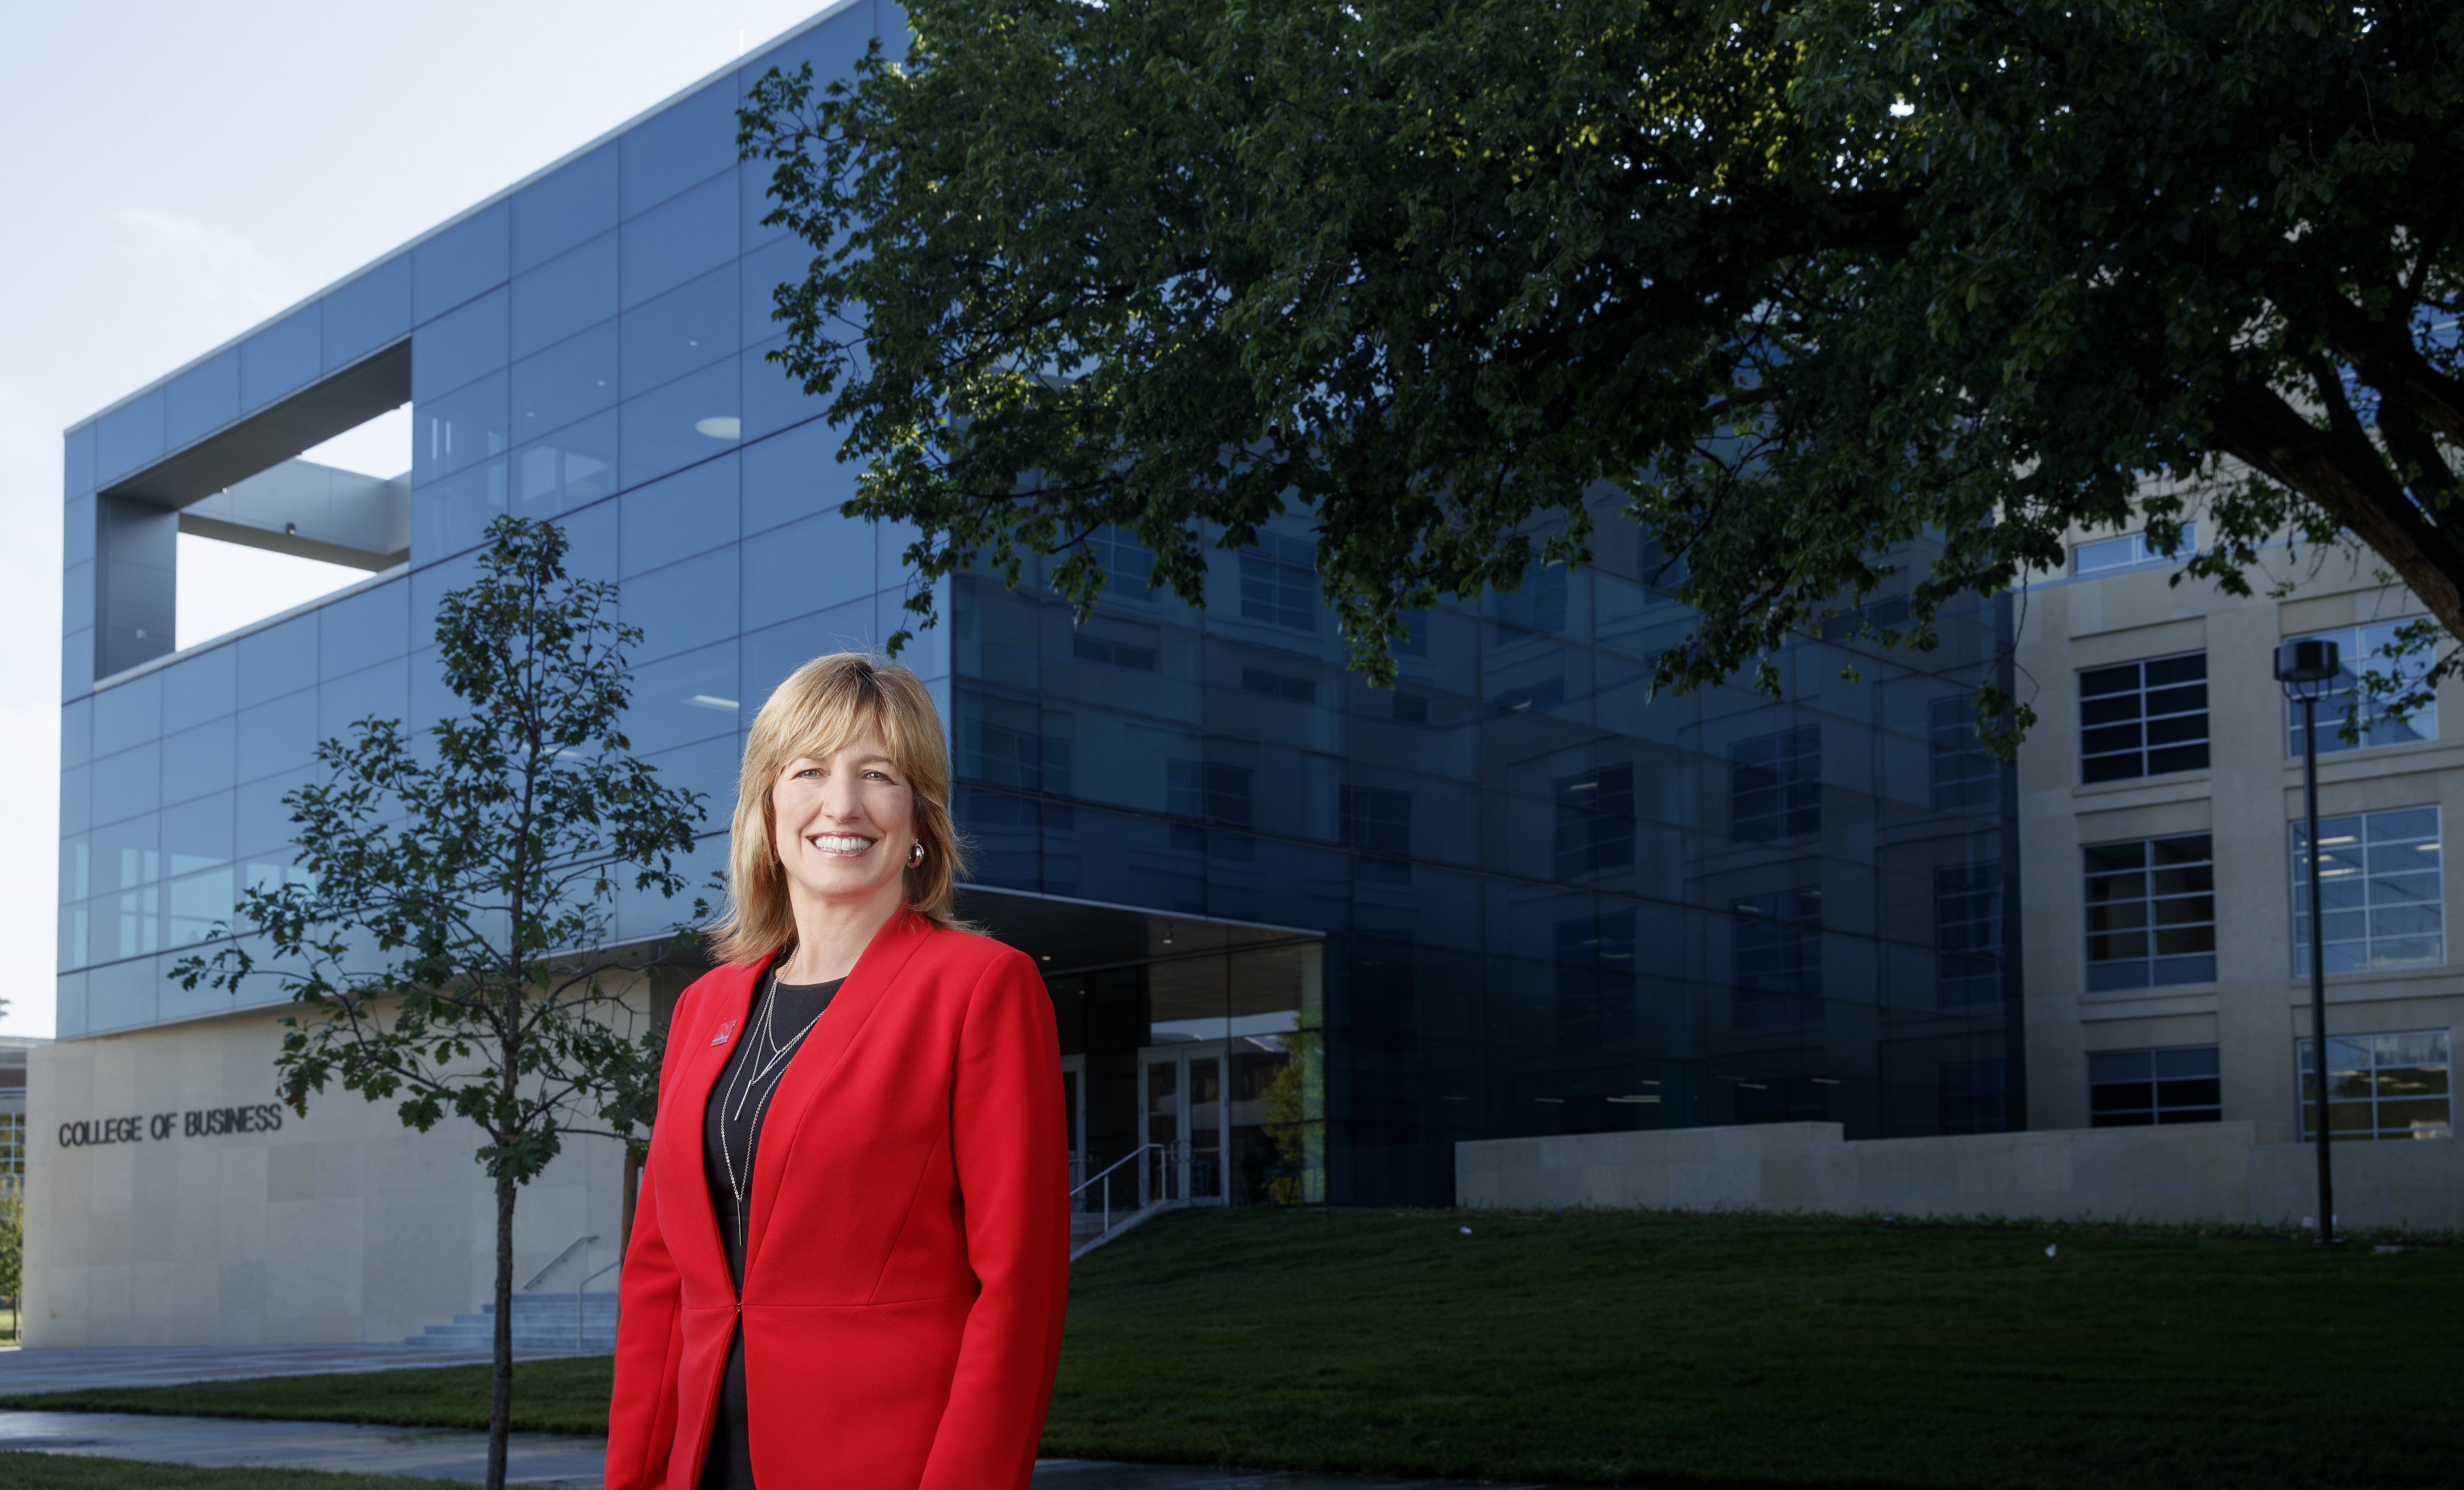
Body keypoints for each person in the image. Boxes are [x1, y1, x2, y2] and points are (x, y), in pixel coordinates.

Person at [607, 653, 1069, 1490]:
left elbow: (1019, 1292)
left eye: (878, 774)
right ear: (769, 804)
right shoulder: (704, 1007)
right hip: (701, 1464)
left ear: (920, 816)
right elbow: (659, 1277)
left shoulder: (981, 988)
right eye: (811, 770)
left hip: (884, 1461)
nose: (842, 805)